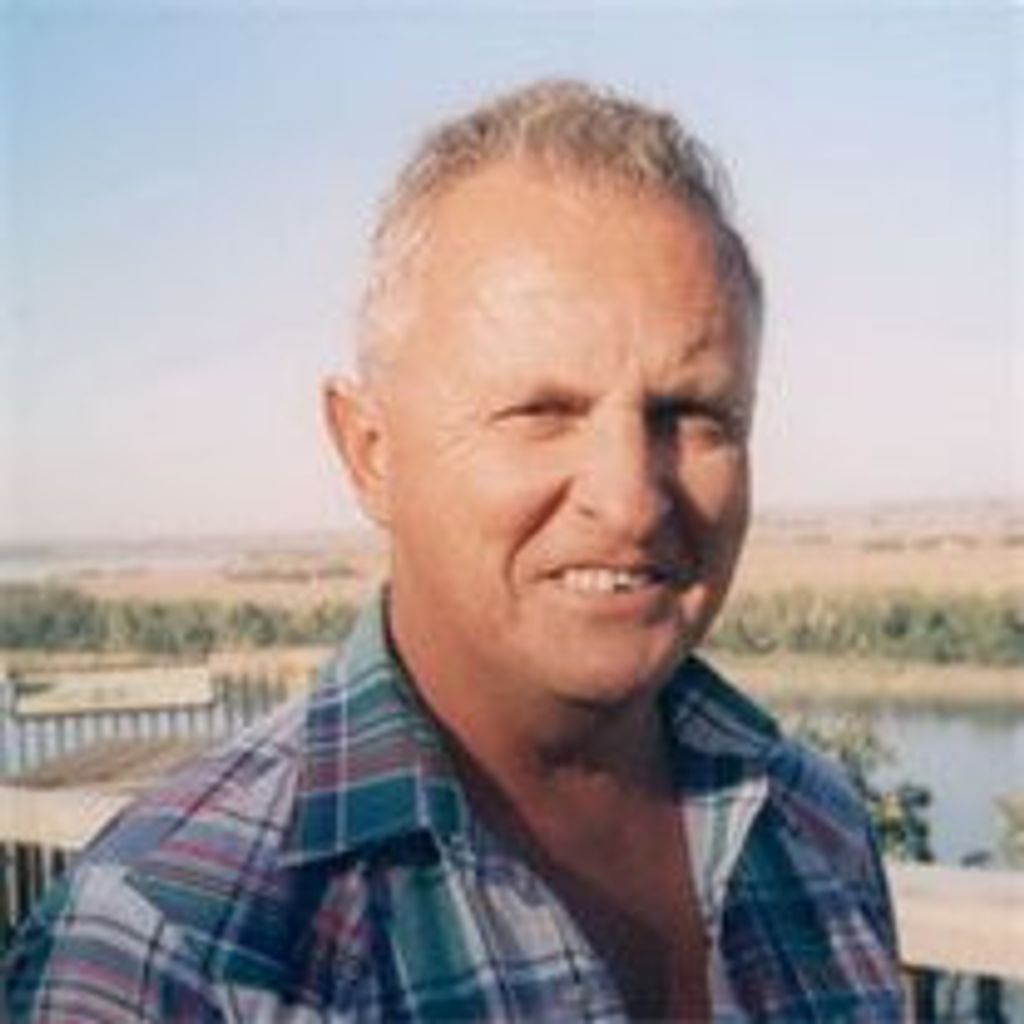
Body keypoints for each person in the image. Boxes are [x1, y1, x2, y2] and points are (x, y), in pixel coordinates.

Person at [3, 80, 902, 1022]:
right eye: (542, 411)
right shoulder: (166, 951)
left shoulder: (812, 826)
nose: (631, 498)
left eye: (693, 414)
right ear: (371, 451)